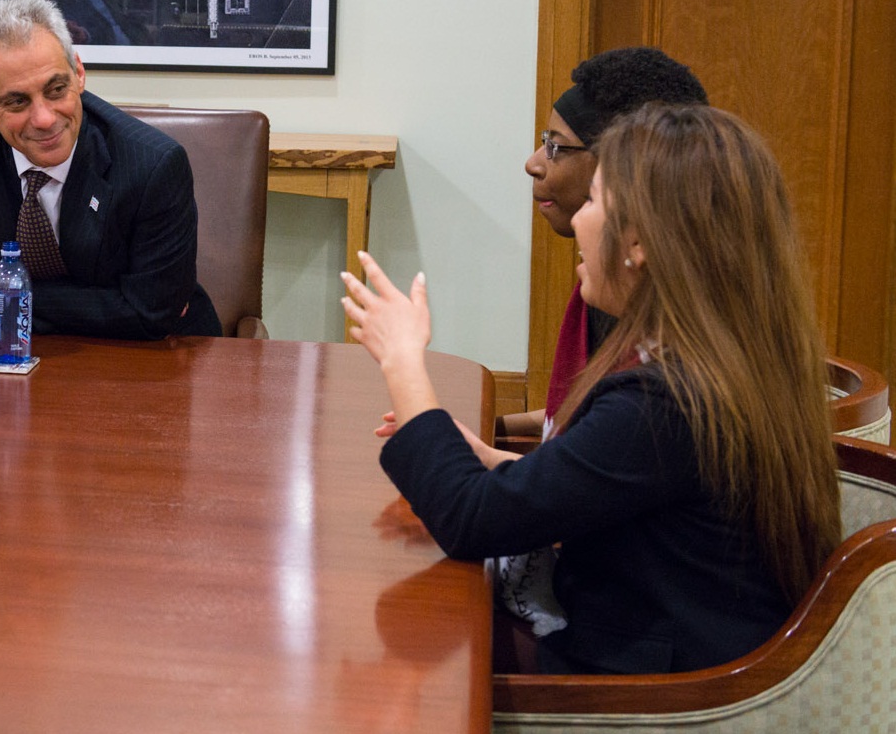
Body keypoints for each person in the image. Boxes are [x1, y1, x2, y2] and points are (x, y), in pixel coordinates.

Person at [344, 104, 840, 674]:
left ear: (640, 243)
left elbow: (468, 522)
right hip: (689, 660)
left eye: (596, 200)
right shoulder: (730, 361)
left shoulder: (664, 404)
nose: (579, 218)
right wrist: (499, 461)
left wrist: (403, 360)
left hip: (652, 699)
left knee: (406, 645)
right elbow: (640, 498)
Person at [0, 0, 218, 339]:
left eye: (56, 89)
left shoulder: (153, 165)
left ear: (78, 73)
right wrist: (113, 302)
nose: (45, 119)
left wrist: (4, 297)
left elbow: (151, 313)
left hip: (153, 358)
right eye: (17, 101)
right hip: (13, 355)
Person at [503, 47, 707, 439]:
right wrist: (491, 426)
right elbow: (582, 411)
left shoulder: (659, 378)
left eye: (555, 147)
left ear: (621, 170)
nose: (533, 163)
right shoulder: (610, 284)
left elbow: (610, 423)